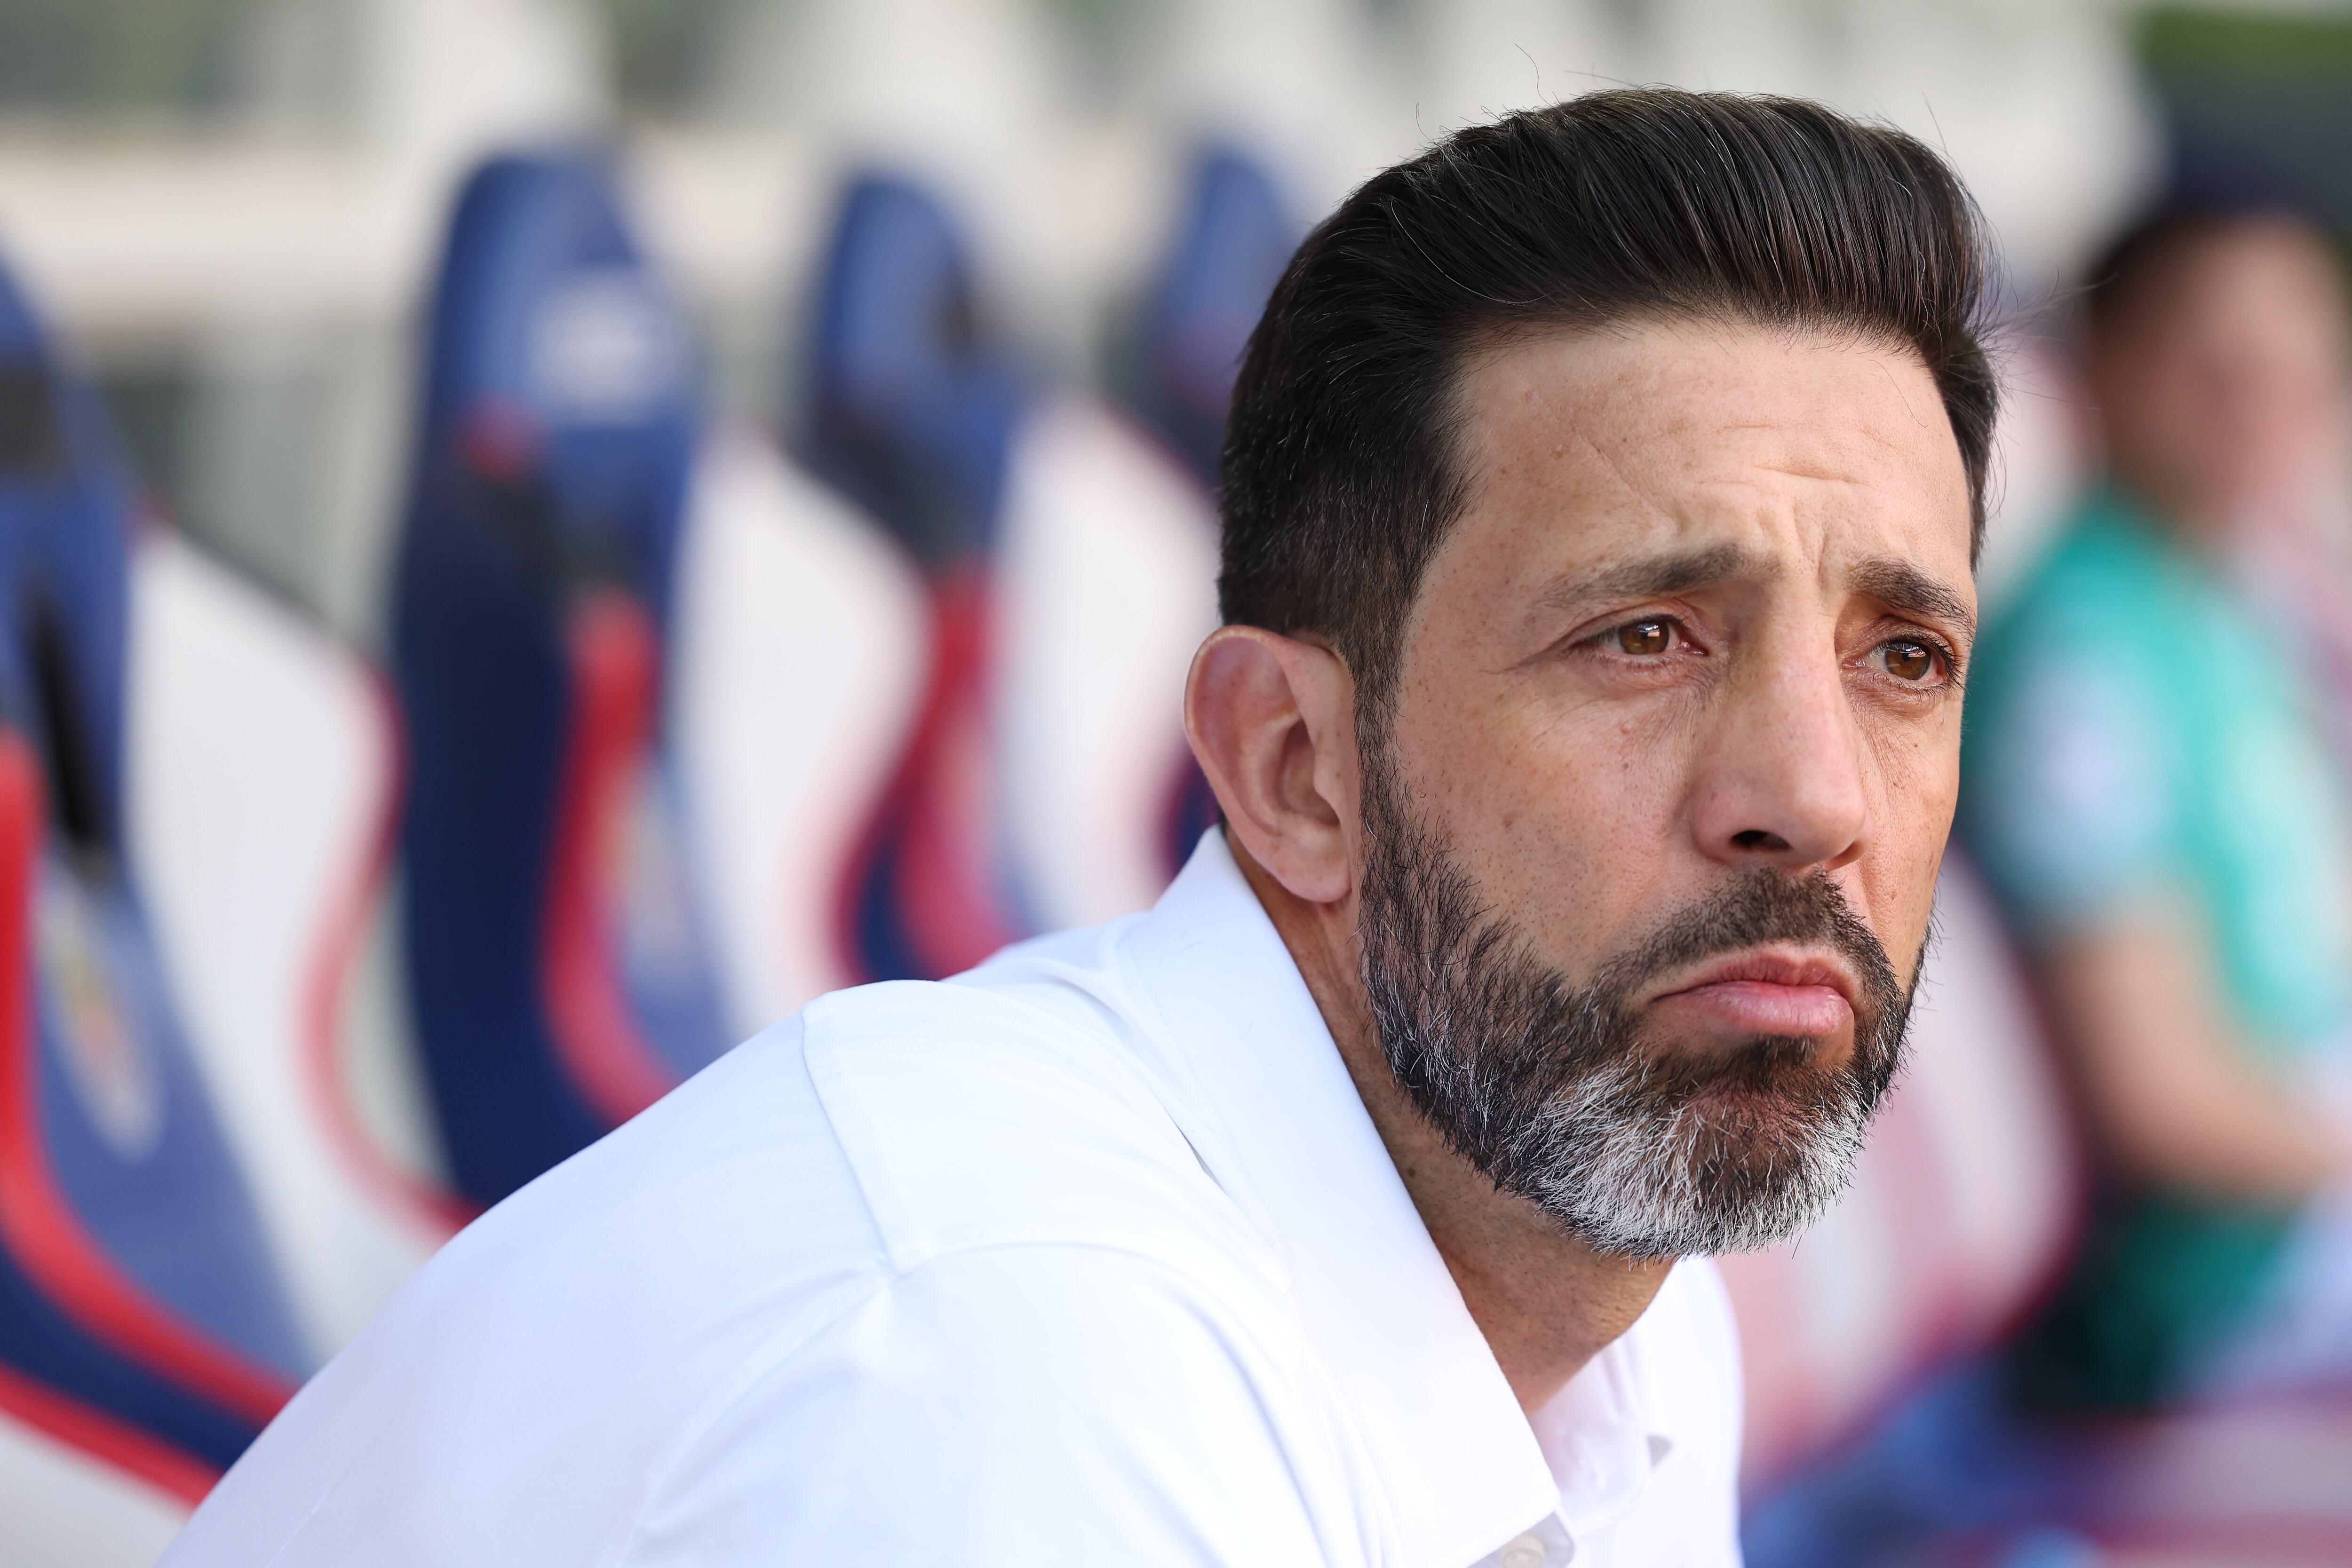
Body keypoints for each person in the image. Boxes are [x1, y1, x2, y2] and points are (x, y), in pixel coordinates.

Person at [164, 90, 1994, 1568]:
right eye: (1641, 638)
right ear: (1290, 765)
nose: (1812, 796)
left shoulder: (1607, 1280)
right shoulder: (1017, 1375)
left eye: (1899, 654)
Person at [1962, 208, 2352, 1414]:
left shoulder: (2221, 590)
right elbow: (2164, 1098)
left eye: (2297, 371)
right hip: (2217, 1289)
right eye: (2216, 365)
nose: (2260, 407)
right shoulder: (2084, 662)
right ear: (2102, 364)